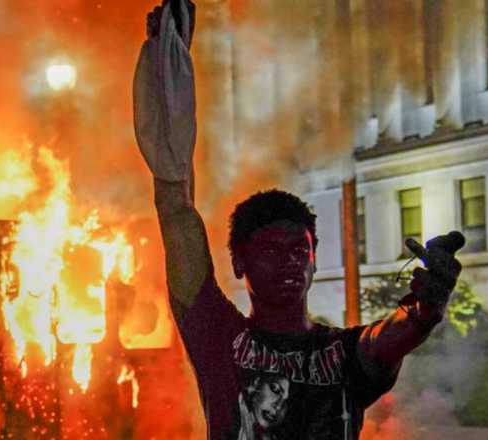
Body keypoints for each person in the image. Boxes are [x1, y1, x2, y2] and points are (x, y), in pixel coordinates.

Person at [133, 1, 465, 438]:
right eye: (270, 251)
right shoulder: (219, 337)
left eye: (299, 250)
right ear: (239, 263)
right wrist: (169, 81)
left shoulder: (344, 354)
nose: (290, 261)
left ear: (314, 260)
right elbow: (175, 207)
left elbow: (393, 336)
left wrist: (429, 305)